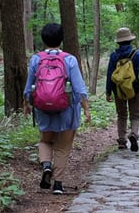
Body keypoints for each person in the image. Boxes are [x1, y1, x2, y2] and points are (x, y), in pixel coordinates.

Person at [23, 23, 91, 194]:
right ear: (61, 38)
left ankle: (46, 165)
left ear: (43, 39)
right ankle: (58, 184)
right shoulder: (69, 59)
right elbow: (79, 88)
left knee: (45, 140)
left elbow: (29, 85)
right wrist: (86, 109)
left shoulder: (36, 59)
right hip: (67, 110)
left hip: (43, 108)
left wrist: (26, 104)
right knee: (62, 146)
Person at [105, 27, 139, 152]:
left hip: (118, 89)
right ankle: (133, 134)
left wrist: (108, 91)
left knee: (121, 114)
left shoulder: (114, 55)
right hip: (134, 88)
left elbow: (110, 74)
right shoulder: (136, 54)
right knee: (135, 114)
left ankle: (121, 141)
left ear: (118, 41)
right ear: (130, 40)